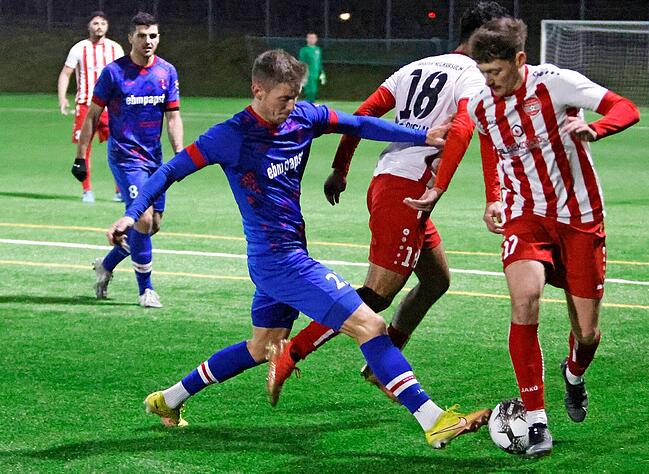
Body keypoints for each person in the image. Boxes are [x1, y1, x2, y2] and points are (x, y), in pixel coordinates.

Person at [107, 49, 490, 449]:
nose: (290, 107)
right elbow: (170, 169)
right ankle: (434, 420)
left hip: (279, 257)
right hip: (281, 261)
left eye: (295, 97)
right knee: (371, 326)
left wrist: (421, 136)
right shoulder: (231, 136)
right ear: (258, 90)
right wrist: (132, 215)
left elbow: (359, 123)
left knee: (262, 347)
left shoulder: (303, 117)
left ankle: (167, 400)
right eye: (282, 99)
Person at [269, 0, 509, 403]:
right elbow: (466, 127)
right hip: (408, 193)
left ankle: (385, 360)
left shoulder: (416, 66)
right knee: (378, 293)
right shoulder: (474, 77)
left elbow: (364, 113)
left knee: (436, 280)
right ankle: (290, 355)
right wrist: (440, 188)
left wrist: (341, 167)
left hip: (390, 184)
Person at [467, 17, 640, 457]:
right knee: (524, 299)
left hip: (580, 219)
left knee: (587, 333)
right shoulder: (482, 105)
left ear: (520, 60)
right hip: (526, 217)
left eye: (497, 73)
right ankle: (536, 419)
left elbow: (625, 107)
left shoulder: (557, 84)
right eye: (483, 73)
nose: (490, 82)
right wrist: (494, 197)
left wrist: (594, 129)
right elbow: (489, 142)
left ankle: (574, 375)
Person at [73, 12, 184, 307]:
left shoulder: (166, 72)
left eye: (153, 36)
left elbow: (173, 116)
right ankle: (145, 290)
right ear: (130, 38)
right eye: (142, 35)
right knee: (143, 218)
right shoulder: (114, 73)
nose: (148, 41)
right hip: (125, 158)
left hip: (155, 160)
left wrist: (180, 154)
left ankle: (106, 265)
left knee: (153, 223)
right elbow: (93, 115)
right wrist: (80, 155)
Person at [58, 11, 124, 203]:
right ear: (89, 26)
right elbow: (65, 74)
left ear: (107, 26)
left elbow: (123, 75)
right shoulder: (79, 48)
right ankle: (87, 190)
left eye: (103, 23)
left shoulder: (115, 49)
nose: (99, 27)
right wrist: (62, 98)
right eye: (95, 23)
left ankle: (120, 190)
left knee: (120, 147)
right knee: (83, 148)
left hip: (110, 107)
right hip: (86, 105)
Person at [298, 32, 325, 102]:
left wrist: (322, 72)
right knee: (310, 91)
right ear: (307, 39)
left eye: (314, 38)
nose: (312, 39)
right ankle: (309, 105)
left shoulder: (318, 49)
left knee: (314, 90)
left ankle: (310, 105)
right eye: (310, 38)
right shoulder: (304, 50)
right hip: (308, 74)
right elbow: (302, 62)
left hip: (315, 74)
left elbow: (319, 62)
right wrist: (302, 73)